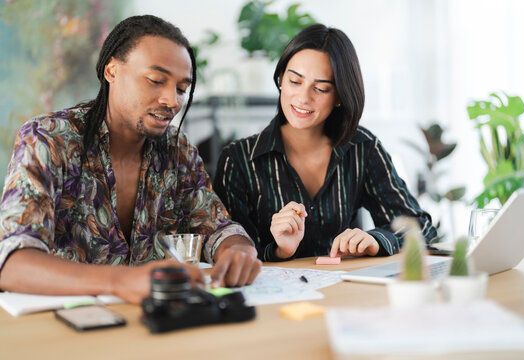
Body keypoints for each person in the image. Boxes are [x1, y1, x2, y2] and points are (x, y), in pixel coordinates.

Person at [0, 15, 261, 304]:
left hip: (156, 326)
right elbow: (12, 263)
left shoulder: (179, 150)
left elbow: (218, 228)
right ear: (111, 70)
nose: (171, 100)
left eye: (181, 89)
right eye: (156, 80)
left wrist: (238, 250)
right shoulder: (48, 139)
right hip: (67, 328)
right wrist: (121, 282)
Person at [214, 24, 437, 261]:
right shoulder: (238, 160)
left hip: (346, 291)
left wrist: (377, 239)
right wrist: (279, 250)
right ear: (281, 79)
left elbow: (419, 227)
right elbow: (226, 251)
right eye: (294, 81)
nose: (303, 98)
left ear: (340, 96)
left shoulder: (362, 148)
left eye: (320, 88)